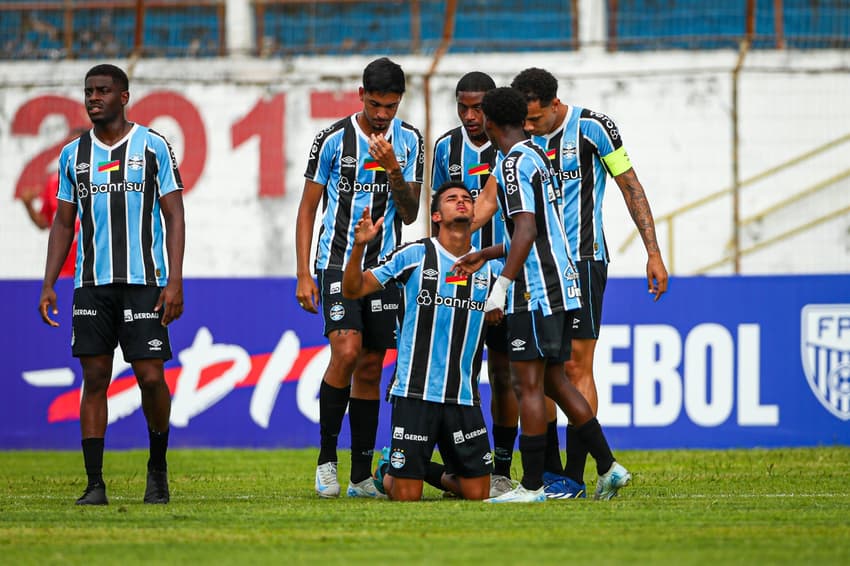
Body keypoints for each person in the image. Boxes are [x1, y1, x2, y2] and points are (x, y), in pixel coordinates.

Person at [457, 87, 630, 503]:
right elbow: (541, 229)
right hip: (559, 285)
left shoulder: (513, 162)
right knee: (554, 379)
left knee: (528, 385)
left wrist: (500, 286)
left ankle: (533, 485)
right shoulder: (537, 155)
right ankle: (609, 466)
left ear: (493, 123)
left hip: (534, 290)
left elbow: (528, 230)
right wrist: (487, 252)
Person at [510, 68, 668, 496]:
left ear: (555, 105)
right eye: (524, 121)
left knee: (577, 366)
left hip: (582, 261)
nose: (529, 127)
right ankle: (549, 473)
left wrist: (652, 252)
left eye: (536, 119)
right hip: (532, 266)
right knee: (540, 370)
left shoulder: (594, 128)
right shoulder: (516, 140)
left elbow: (629, 186)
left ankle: (576, 476)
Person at [37, 64, 185, 505]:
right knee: (95, 376)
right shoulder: (72, 156)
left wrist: (174, 280)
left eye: (103, 90)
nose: (93, 97)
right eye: (89, 91)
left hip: (144, 282)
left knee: (151, 376)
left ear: (124, 96)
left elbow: (174, 214)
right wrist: (48, 283)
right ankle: (94, 483)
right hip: (92, 285)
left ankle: (157, 468)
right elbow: (63, 223)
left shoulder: (153, 146)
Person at [295, 57, 424, 498]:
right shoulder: (332, 140)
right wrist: (302, 273)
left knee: (371, 366)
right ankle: (326, 459)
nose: (383, 114)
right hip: (336, 262)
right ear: (360, 95)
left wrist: (393, 168)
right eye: (375, 104)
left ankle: (360, 477)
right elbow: (308, 207)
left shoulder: (409, 141)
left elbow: (410, 212)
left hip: (385, 267)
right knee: (347, 351)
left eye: (391, 106)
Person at [342, 182, 499, 501]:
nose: (462, 202)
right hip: (414, 393)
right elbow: (353, 289)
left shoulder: (490, 267)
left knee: (478, 493)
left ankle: (418, 466)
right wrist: (359, 247)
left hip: (463, 396)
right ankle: (392, 470)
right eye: (452, 199)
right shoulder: (415, 254)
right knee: (406, 496)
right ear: (437, 215)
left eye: (468, 199)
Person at [431, 72, 515, 498]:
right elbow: (438, 212)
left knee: (504, 374)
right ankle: (463, 465)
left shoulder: (512, 147)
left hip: (504, 273)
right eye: (462, 107)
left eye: (478, 107)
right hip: (459, 277)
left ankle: (500, 466)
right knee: (461, 372)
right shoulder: (446, 147)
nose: (469, 116)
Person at [20, 127, 89, 278]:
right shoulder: (54, 182)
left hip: (94, 268)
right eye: (69, 145)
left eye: (78, 145)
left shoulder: (103, 178)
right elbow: (44, 222)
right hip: (62, 270)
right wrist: (28, 206)